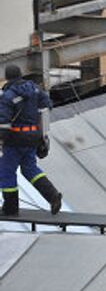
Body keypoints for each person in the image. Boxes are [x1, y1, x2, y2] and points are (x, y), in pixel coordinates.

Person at [0, 65, 62, 216]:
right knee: (30, 169)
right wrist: (42, 135)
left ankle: (10, 208)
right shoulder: (35, 89)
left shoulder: (7, 96)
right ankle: (53, 196)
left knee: (5, 172)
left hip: (15, 140)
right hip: (33, 138)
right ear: (21, 74)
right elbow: (47, 106)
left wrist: (1, 140)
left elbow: (4, 122)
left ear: (7, 77)